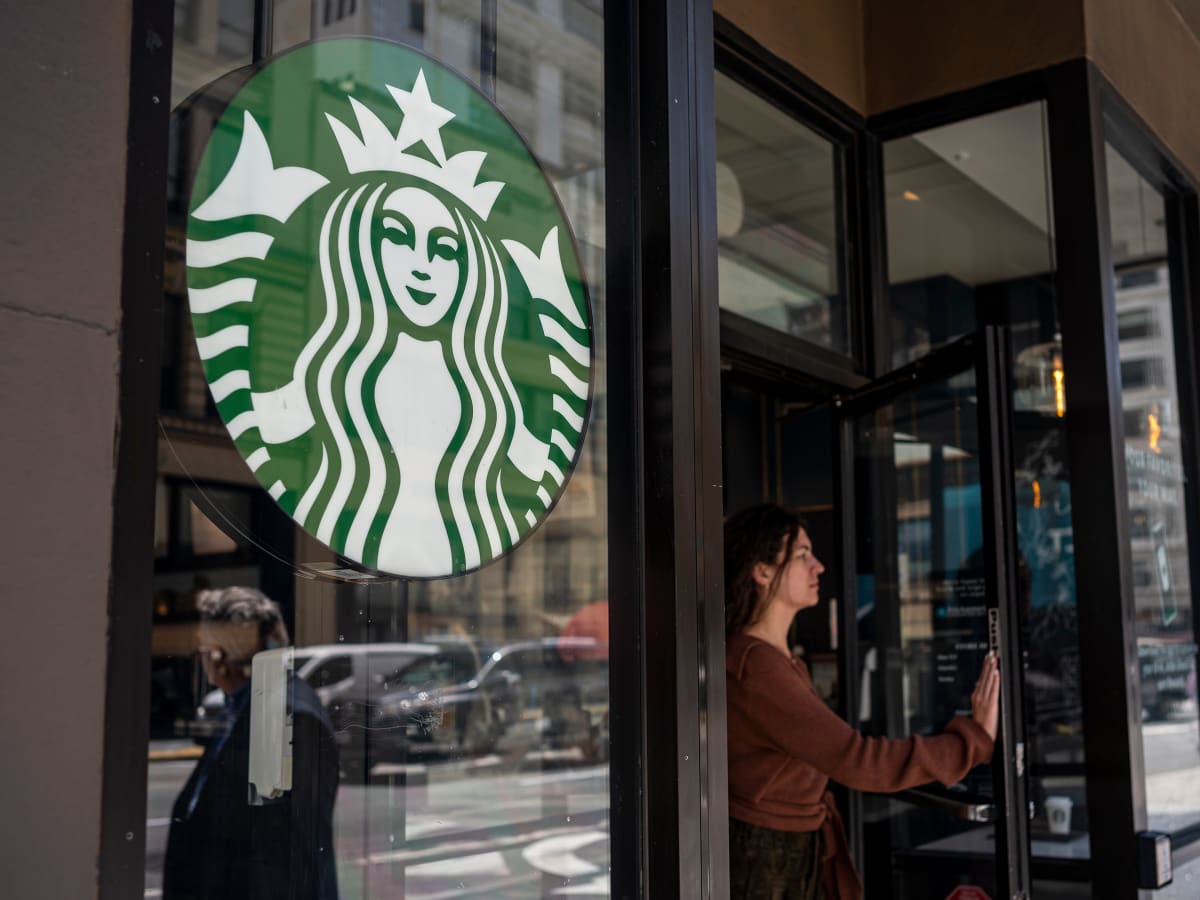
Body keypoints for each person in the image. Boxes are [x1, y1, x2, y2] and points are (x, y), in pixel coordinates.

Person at [724, 505, 1000, 900]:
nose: (818, 567)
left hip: (782, 855)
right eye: (802, 555)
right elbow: (858, 759)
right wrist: (969, 743)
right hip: (767, 866)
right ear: (762, 571)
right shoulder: (760, 669)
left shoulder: (777, 662)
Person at [163, 587, 339, 900]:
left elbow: (282, 851)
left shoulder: (288, 715)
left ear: (222, 656)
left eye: (206, 647)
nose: (204, 658)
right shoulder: (245, 705)